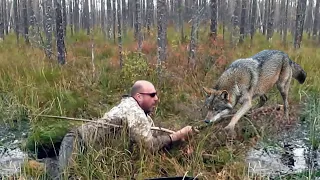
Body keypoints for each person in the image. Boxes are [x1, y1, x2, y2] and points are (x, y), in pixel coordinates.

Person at [58, 80, 198, 173]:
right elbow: (149, 146)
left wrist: (180, 142)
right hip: (77, 142)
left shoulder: (141, 115)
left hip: (89, 152)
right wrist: (178, 135)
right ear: (139, 97)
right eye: (152, 95)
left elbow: (154, 140)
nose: (156, 99)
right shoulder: (134, 111)